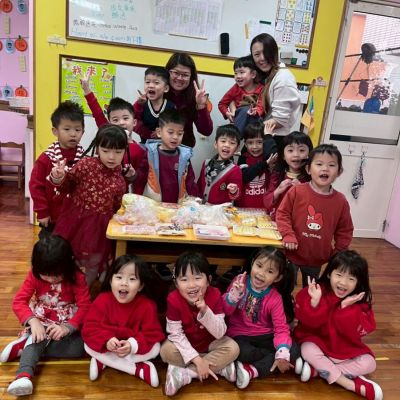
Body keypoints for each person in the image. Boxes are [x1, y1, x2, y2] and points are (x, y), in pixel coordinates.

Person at [0, 235, 91, 396]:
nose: (50, 279)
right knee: (38, 340)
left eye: (56, 275)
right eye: (45, 275)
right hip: (42, 321)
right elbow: (19, 302)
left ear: (68, 265)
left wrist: (67, 327)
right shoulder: (34, 275)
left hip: (66, 322)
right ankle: (23, 376)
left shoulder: (77, 277)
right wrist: (33, 321)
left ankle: (24, 346)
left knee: (79, 348)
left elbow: (85, 306)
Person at [294, 250, 383, 400]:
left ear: (359, 282)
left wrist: (345, 308)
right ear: (329, 274)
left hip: (343, 348)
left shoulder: (358, 302)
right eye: (339, 275)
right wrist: (314, 303)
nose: (343, 282)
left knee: (370, 363)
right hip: (319, 343)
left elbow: (355, 333)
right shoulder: (317, 291)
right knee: (307, 349)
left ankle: (318, 371)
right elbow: (308, 324)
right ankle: (349, 384)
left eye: (351, 278)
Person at [50, 124, 129, 286]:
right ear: (97, 148)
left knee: (93, 263)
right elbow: (66, 185)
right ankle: (65, 290)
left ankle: (83, 295)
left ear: (125, 151)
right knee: (67, 258)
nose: (112, 157)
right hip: (75, 223)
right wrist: (59, 176)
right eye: (106, 151)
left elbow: (116, 207)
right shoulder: (86, 164)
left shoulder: (120, 179)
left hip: (99, 231)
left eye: (118, 152)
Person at [160, 251, 240, 396]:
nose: (191, 285)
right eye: (184, 279)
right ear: (176, 283)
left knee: (233, 348)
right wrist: (198, 360)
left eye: (197, 278)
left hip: (210, 342)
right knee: (165, 351)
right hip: (186, 343)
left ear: (208, 280)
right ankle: (220, 368)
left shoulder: (215, 294)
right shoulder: (173, 299)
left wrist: (205, 310)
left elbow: (220, 332)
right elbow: (175, 334)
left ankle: (185, 374)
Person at [222, 246, 300, 389]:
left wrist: (282, 352)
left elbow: (281, 329)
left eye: (270, 271)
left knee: (293, 349)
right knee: (241, 352)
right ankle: (277, 361)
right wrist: (233, 296)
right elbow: (224, 312)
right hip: (239, 334)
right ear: (252, 263)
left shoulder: (275, 297)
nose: (261, 274)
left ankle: (252, 370)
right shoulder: (239, 281)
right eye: (259, 266)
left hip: (265, 335)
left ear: (278, 277)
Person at [276, 144, 354, 288]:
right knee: (285, 287)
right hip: (291, 252)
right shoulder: (297, 191)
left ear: (339, 172)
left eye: (331, 165)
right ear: (308, 169)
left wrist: (339, 252)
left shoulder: (341, 201)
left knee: (310, 290)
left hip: (317, 258)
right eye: (319, 164)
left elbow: (345, 229)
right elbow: (282, 214)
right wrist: (288, 234)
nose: (325, 169)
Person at [81, 254, 165, 387]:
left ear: (141, 286)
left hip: (132, 349)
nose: (124, 283)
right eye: (119, 277)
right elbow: (89, 328)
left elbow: (153, 334)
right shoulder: (102, 299)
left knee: (156, 348)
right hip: (109, 347)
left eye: (132, 279)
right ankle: (137, 369)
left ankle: (103, 361)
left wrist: (132, 345)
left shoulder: (147, 305)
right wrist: (106, 340)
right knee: (87, 344)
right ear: (110, 281)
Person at [80, 75, 148, 194]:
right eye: (115, 120)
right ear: (109, 124)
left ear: (134, 122)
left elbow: (140, 179)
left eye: (125, 118)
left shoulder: (139, 151)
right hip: (98, 193)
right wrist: (87, 90)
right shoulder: (107, 135)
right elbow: (97, 113)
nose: (121, 123)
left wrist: (132, 176)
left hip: (122, 197)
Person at [29, 101, 85, 238]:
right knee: (50, 248)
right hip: (52, 218)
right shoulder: (46, 158)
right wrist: (42, 212)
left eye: (77, 130)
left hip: (76, 218)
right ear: (55, 131)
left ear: (83, 132)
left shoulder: (85, 158)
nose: (73, 134)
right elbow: (36, 186)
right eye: (67, 129)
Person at [250, 33, 301, 148]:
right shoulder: (267, 75)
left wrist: (250, 129)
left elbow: (279, 120)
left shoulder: (283, 79)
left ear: (274, 52)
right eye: (257, 54)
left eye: (266, 52)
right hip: (265, 135)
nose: (262, 58)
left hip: (275, 138)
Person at [143, 108, 198, 203]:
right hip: (154, 205)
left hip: (177, 206)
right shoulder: (149, 154)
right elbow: (141, 178)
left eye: (179, 134)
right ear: (159, 132)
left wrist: (195, 198)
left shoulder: (185, 157)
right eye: (170, 132)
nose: (175, 137)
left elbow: (190, 181)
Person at [164, 52, 213, 147]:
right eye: (176, 73)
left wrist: (201, 106)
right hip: (156, 147)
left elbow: (206, 131)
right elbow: (136, 121)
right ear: (168, 72)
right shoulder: (158, 91)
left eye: (185, 75)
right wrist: (150, 134)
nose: (179, 78)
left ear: (191, 77)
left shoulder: (195, 97)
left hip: (183, 149)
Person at [264, 131, 313, 220]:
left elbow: (315, 204)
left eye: (301, 150)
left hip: (300, 222)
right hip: (278, 221)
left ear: (309, 154)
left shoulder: (312, 178)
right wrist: (278, 191)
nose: (296, 155)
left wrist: (302, 190)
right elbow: (266, 202)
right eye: (290, 150)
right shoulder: (277, 175)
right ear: (283, 155)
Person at [218, 55, 264, 137]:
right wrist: (227, 113)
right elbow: (222, 104)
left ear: (253, 74)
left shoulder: (261, 89)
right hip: (240, 120)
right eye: (236, 73)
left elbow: (262, 105)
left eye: (242, 72)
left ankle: (237, 137)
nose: (238, 76)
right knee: (245, 110)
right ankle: (235, 137)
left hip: (255, 121)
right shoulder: (236, 88)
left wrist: (256, 112)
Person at [197, 124, 243, 205]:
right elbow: (199, 185)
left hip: (221, 211)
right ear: (215, 144)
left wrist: (234, 191)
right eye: (223, 141)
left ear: (237, 148)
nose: (227, 145)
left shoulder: (235, 170)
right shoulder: (206, 163)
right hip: (202, 208)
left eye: (232, 143)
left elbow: (237, 196)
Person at [236, 122, 278, 208]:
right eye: (250, 143)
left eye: (259, 142)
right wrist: (265, 164)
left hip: (265, 208)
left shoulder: (267, 157)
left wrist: (268, 137)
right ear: (245, 144)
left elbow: (273, 155)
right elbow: (245, 176)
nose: (255, 146)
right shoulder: (243, 158)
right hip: (244, 208)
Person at [133, 66, 175, 143]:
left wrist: (161, 132)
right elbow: (132, 121)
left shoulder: (171, 106)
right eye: (147, 82)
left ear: (166, 88)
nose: (151, 85)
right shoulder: (141, 104)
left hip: (165, 145)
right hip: (145, 144)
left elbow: (175, 126)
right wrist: (138, 105)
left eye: (156, 83)